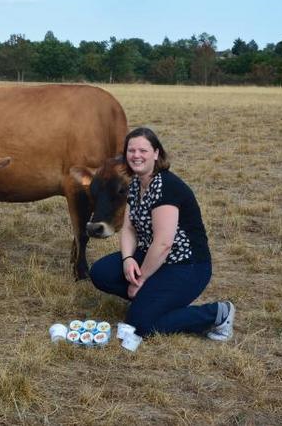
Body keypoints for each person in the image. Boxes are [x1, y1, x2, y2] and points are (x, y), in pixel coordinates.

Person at [89, 127, 234, 340]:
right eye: (131, 150)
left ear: (156, 154)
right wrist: (128, 259)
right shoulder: (137, 183)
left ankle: (217, 313)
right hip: (154, 257)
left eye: (143, 150)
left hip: (187, 265)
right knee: (101, 272)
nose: (136, 155)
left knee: (139, 326)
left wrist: (141, 280)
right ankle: (152, 302)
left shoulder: (166, 187)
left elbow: (164, 243)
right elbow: (128, 227)